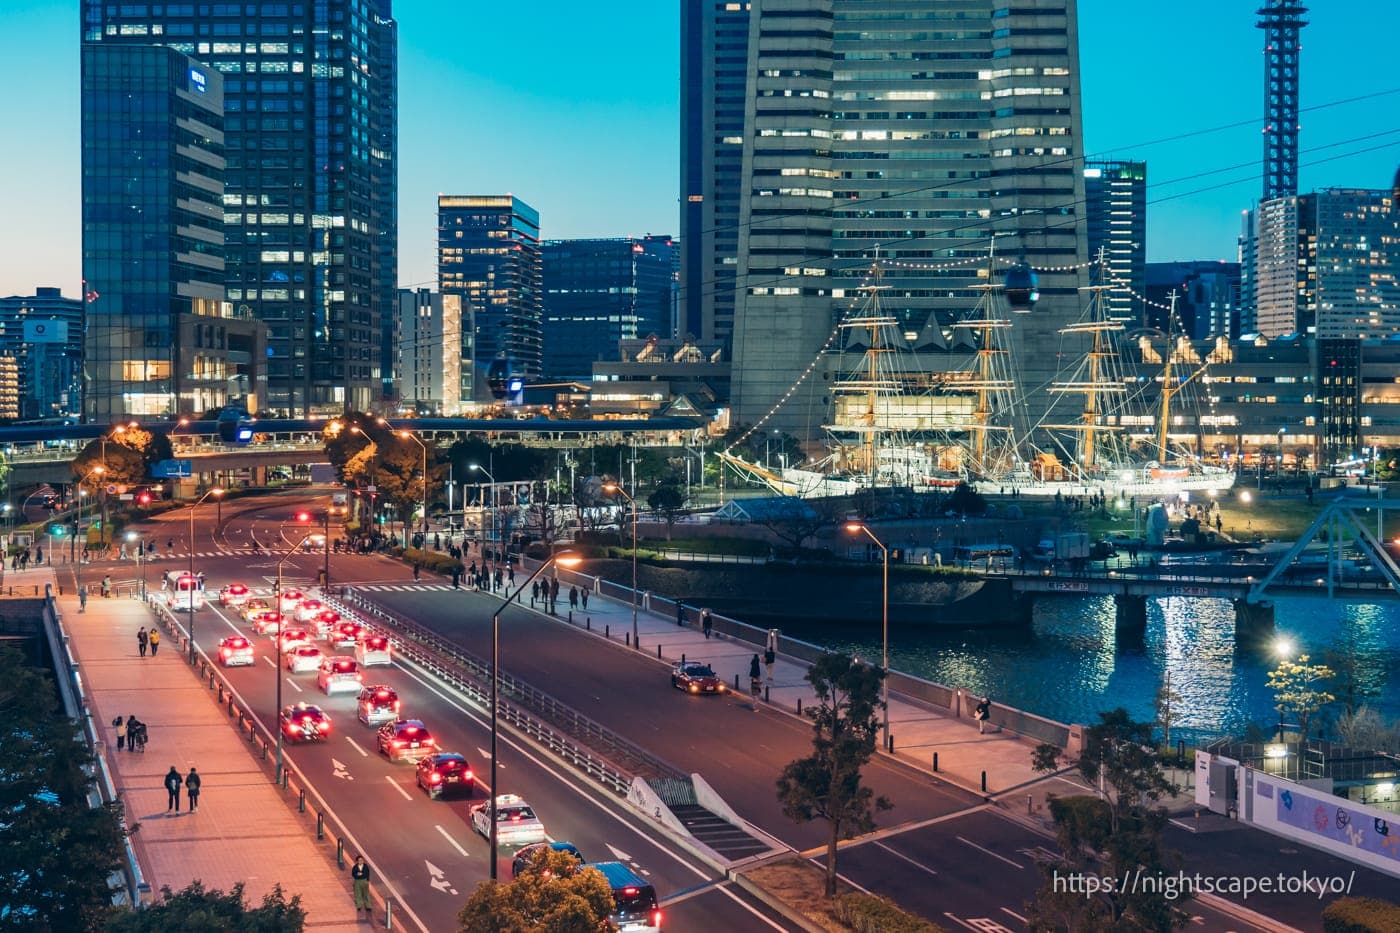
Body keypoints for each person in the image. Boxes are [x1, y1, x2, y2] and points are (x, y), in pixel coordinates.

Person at [350, 855, 372, 919]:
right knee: (358, 894)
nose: (361, 861)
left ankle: (368, 906)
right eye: (359, 860)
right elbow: (353, 874)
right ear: (357, 861)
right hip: (357, 881)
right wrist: (358, 875)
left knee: (366, 894)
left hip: (364, 881)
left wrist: (366, 880)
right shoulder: (355, 867)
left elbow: (367, 874)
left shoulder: (365, 867)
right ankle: (359, 905)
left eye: (362, 860)